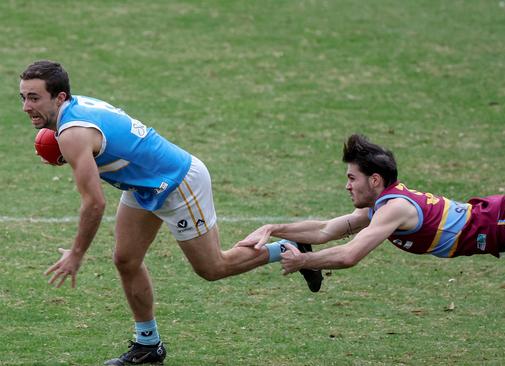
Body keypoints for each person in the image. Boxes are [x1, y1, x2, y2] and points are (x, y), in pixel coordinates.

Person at [19, 60, 322, 366]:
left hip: (177, 182)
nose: (26, 107)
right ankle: (148, 345)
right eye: (24, 98)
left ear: (59, 98)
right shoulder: (75, 109)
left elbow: (95, 203)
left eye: (34, 98)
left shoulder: (72, 133)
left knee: (213, 267)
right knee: (126, 259)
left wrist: (76, 253)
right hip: (144, 185)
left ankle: (288, 248)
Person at [238, 134, 505, 283]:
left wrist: (302, 265)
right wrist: (275, 228)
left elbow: (348, 254)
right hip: (502, 223)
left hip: (502, 221)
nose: (346, 185)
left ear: (374, 181)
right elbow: (327, 229)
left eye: (352, 178)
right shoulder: (382, 207)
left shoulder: (392, 209)